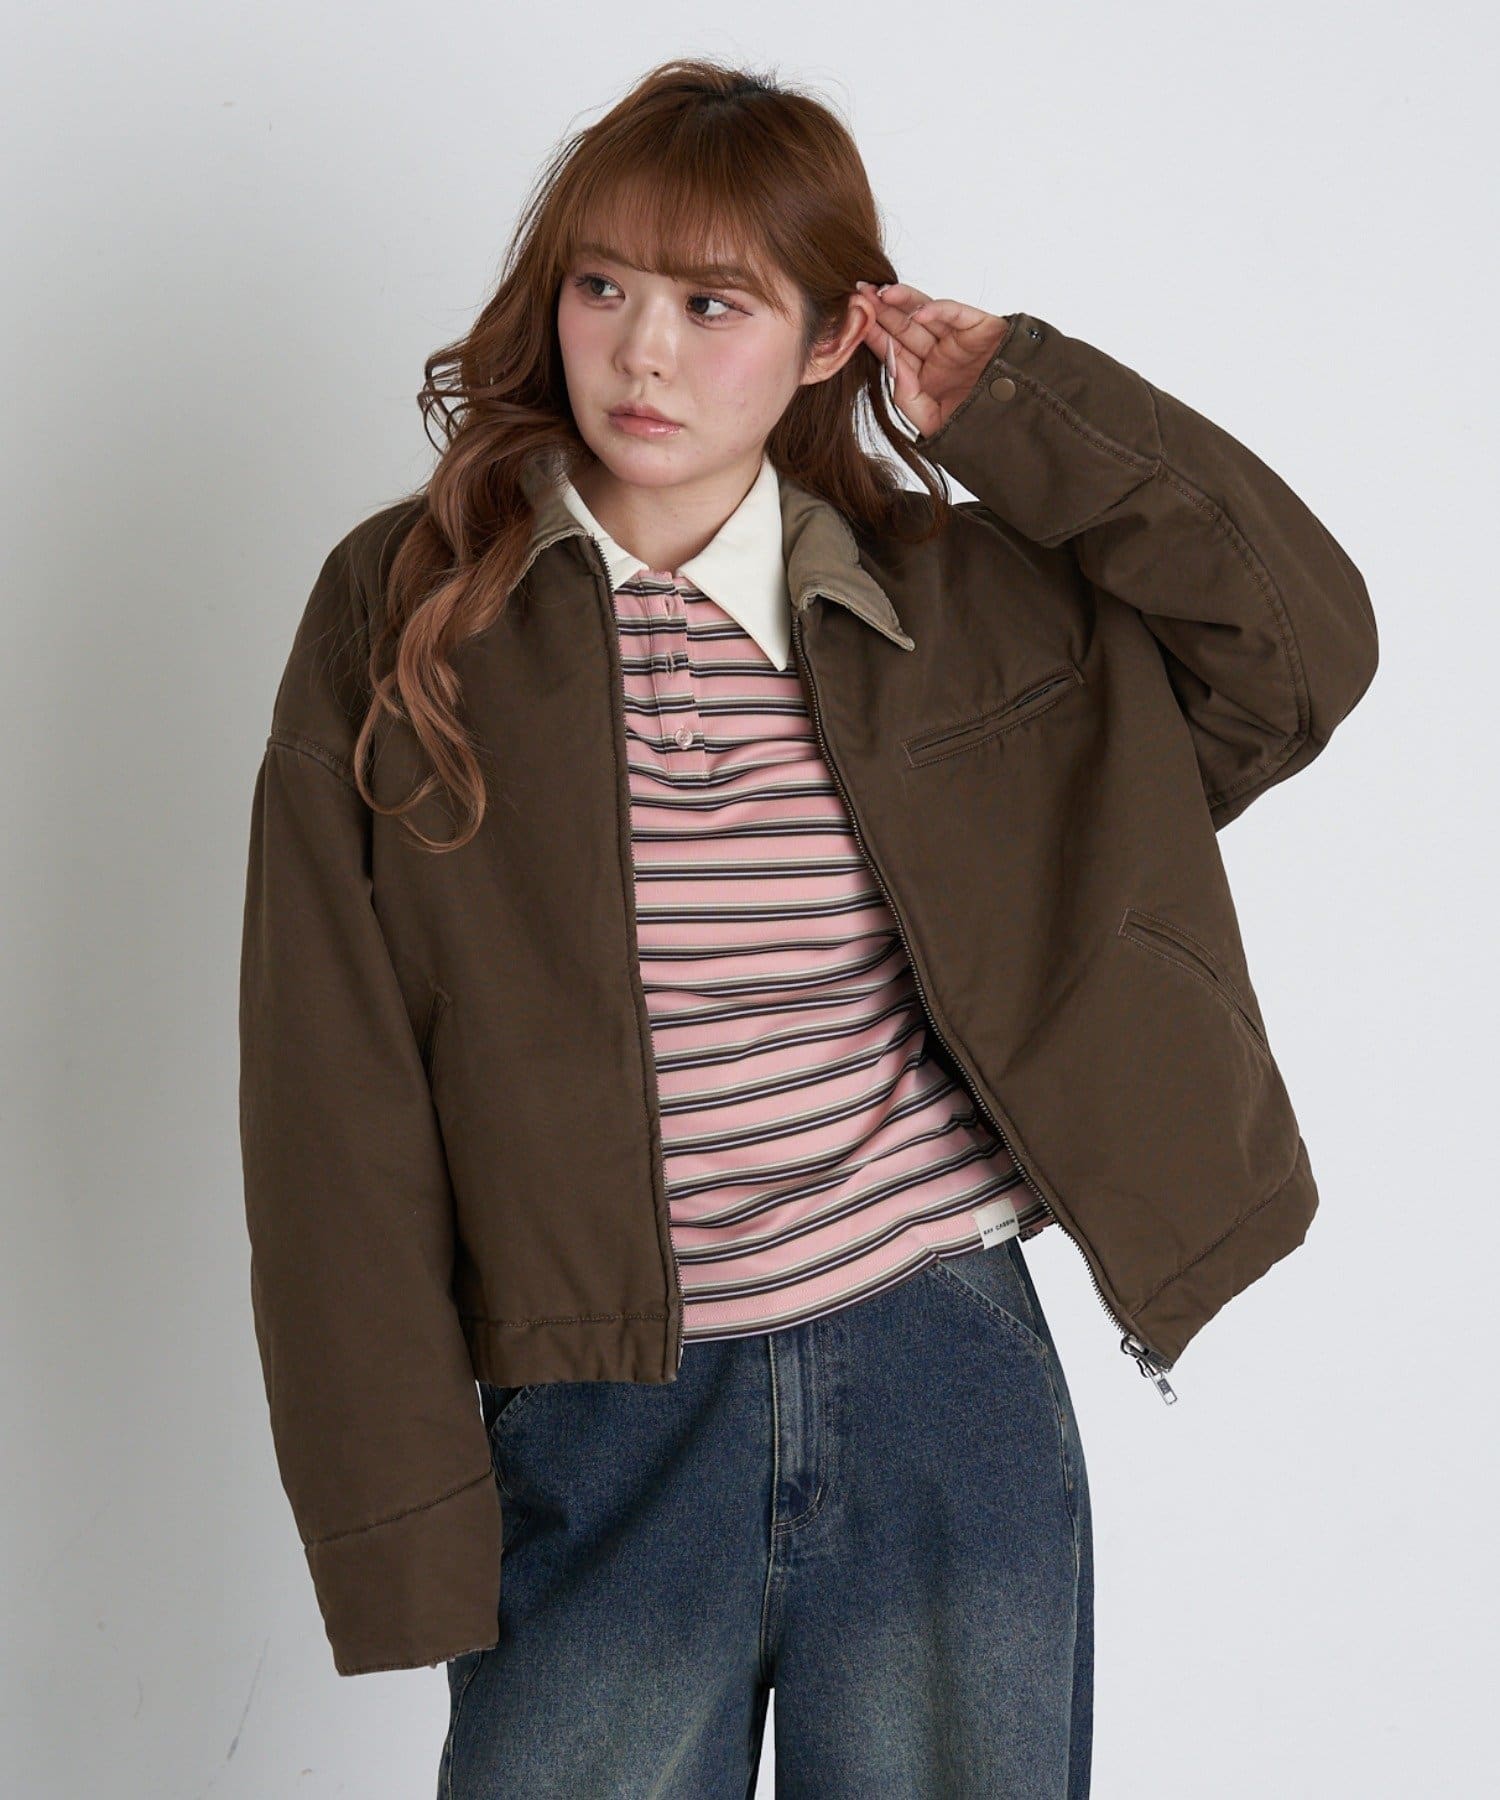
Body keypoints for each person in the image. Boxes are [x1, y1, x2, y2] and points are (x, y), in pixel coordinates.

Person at [236, 57, 1378, 1799]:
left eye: (715, 304)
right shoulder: (411, 613)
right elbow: (332, 1088)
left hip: (941, 1373)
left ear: (833, 334)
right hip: (603, 1410)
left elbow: (1299, 653)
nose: (643, 352)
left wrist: (1020, 404)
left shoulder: (961, 601)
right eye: (605, 286)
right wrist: (397, 1520)